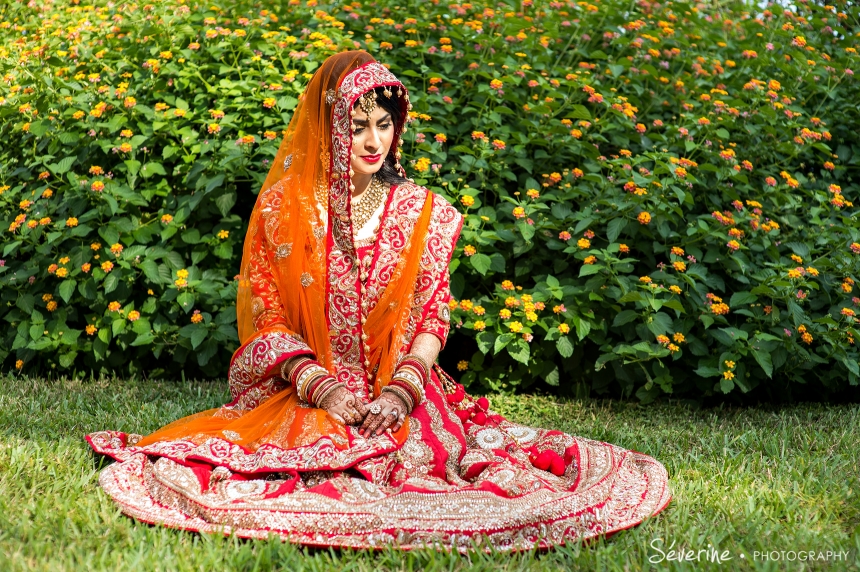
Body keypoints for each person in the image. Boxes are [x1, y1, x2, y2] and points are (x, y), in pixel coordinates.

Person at [86, 51, 670, 551]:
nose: (373, 141)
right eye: (357, 124)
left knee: (448, 466)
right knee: (257, 465)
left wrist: (400, 390)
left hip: (406, 393)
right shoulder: (284, 209)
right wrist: (325, 388)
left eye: (384, 124)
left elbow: (432, 314)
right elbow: (265, 312)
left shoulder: (421, 211)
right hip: (309, 392)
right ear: (328, 125)